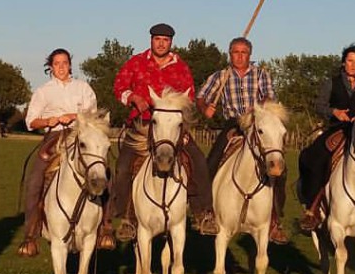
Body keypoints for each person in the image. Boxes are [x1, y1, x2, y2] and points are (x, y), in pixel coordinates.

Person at [106, 24, 218, 241]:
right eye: (157, 39)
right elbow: (119, 86)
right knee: (122, 167)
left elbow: (189, 98)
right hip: (142, 126)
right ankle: (126, 218)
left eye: (165, 40)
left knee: (198, 161)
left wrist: (182, 126)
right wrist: (132, 97)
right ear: (151, 40)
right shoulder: (136, 62)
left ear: (171, 42)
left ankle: (203, 213)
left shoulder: (181, 68)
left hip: (172, 128)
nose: (161, 43)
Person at [196, 36, 289, 244]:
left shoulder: (260, 74)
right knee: (210, 163)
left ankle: (274, 220)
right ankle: (207, 213)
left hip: (257, 123)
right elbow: (201, 96)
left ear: (250, 54)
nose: (239, 56)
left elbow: (270, 97)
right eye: (235, 52)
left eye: (243, 52)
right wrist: (206, 108)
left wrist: (259, 106)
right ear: (229, 54)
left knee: (279, 170)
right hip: (234, 124)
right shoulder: (221, 75)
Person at [18, 48, 99, 257]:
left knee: (102, 171)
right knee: (35, 179)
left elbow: (93, 113)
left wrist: (74, 115)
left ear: (70, 65)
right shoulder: (43, 91)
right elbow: (30, 121)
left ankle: (105, 227)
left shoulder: (83, 87)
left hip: (80, 135)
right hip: (54, 137)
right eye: (57, 64)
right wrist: (48, 121)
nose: (61, 67)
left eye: (65, 63)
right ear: (51, 67)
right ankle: (31, 235)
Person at [296, 42, 355, 233]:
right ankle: (312, 207)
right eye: (349, 61)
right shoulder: (332, 83)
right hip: (337, 129)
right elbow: (319, 105)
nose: (353, 65)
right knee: (314, 157)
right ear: (344, 62)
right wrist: (334, 112)